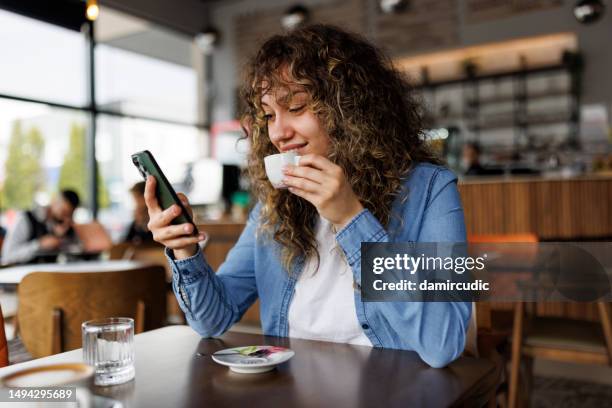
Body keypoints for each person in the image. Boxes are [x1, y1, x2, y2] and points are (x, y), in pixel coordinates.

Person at [145, 25, 470, 368]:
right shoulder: (274, 208)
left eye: (297, 107)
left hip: (387, 390)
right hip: (289, 388)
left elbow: (443, 343)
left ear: (351, 109)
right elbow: (212, 319)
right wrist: (185, 249)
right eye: (269, 116)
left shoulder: (430, 190)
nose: (279, 133)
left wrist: (351, 220)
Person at [1, 190, 80, 264]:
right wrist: (38, 245)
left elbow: (77, 251)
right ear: (54, 201)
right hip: (25, 275)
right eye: (63, 212)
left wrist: (62, 239)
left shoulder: (62, 227)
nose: (65, 218)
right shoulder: (26, 219)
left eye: (69, 215)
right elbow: (7, 256)